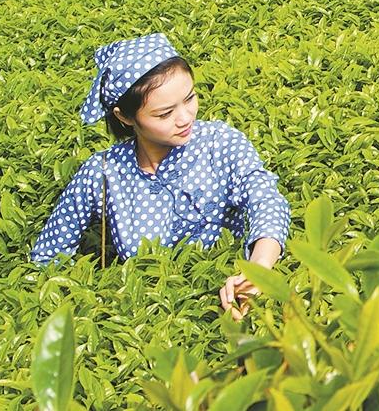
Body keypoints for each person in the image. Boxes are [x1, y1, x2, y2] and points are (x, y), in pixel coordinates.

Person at [30, 33, 291, 318]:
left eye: (190, 97)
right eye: (164, 114)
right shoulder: (103, 173)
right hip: (144, 325)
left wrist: (257, 272)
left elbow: (267, 201)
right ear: (125, 117)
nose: (185, 118)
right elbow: (48, 257)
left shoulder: (220, 143)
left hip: (227, 309)